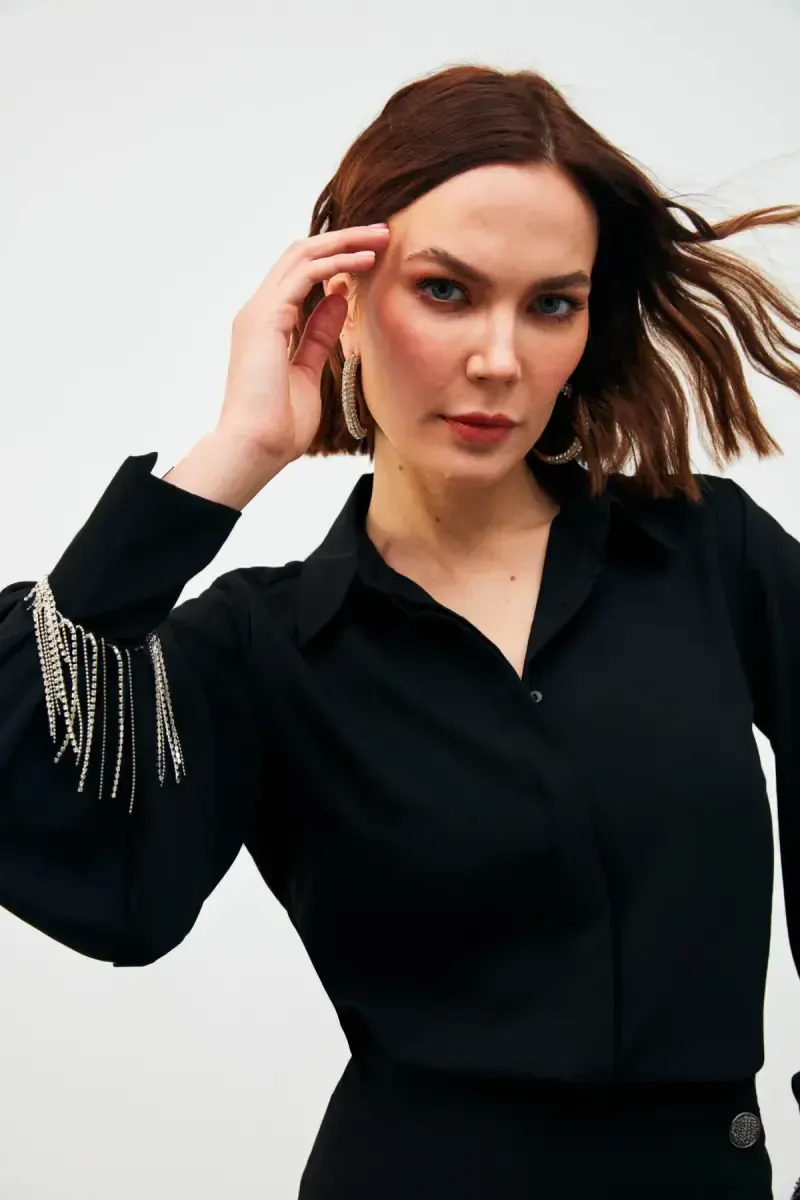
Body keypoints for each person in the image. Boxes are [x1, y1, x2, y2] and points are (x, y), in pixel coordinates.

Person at [1, 61, 799, 1200]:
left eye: (550, 304)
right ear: (343, 298)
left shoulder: (709, 555)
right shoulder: (259, 644)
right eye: (445, 291)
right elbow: (54, 823)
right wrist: (230, 458)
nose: (498, 359)